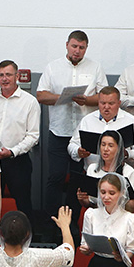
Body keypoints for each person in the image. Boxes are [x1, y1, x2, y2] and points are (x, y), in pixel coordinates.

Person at [36, 31, 108, 216]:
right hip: (59, 131)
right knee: (56, 177)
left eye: (81, 47)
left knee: (79, 179)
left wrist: (87, 100)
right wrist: (62, 98)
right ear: (67, 45)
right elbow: (41, 95)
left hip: (85, 133)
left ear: (86, 48)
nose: (77, 51)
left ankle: (73, 222)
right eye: (74, 46)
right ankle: (52, 221)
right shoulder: (53, 67)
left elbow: (104, 96)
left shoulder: (95, 67)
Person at [0, 59, 40, 215]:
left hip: (17, 160)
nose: (4, 79)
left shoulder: (30, 102)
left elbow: (33, 136)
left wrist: (12, 151)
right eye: (1, 75)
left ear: (17, 76)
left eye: (8, 75)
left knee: (23, 203)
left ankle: (26, 231)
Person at [68, 86, 134, 168]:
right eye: (103, 103)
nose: (106, 107)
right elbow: (72, 144)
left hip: (122, 172)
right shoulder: (87, 120)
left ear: (119, 103)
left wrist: (127, 154)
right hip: (92, 171)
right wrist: (78, 152)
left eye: (111, 103)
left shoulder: (133, 122)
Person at [76, 130, 134, 213]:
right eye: (103, 145)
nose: (105, 149)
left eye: (110, 145)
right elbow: (89, 203)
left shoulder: (128, 171)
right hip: (96, 214)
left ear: (119, 149)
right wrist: (83, 200)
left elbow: (132, 205)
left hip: (119, 215)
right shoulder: (92, 168)